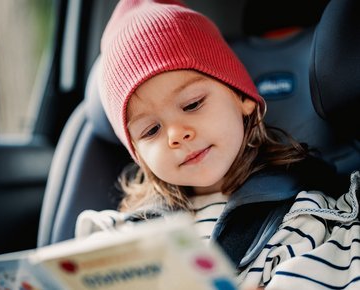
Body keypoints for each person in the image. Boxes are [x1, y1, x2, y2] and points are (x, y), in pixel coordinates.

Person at [75, 0, 360, 289]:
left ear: (242, 97)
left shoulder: (301, 218)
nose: (176, 134)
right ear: (138, 155)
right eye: (151, 130)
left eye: (192, 104)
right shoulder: (127, 233)